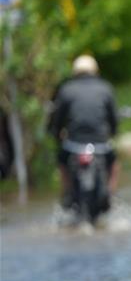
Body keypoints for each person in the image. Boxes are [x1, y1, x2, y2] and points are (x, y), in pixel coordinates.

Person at [48, 55, 120, 208]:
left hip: (73, 145)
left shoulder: (66, 89)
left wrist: (56, 136)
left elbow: (56, 121)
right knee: (114, 162)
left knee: (61, 160)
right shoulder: (105, 88)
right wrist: (114, 132)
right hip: (101, 145)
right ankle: (110, 194)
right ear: (95, 71)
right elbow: (114, 119)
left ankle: (66, 191)